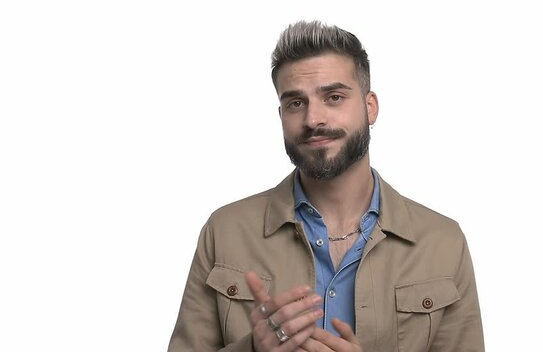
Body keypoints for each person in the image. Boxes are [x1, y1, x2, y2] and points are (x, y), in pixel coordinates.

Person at [168, 20, 484, 352]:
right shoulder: (225, 231)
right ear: (281, 115)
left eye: (333, 97)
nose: (312, 119)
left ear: (370, 106)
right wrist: (253, 350)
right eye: (295, 103)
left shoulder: (442, 243)